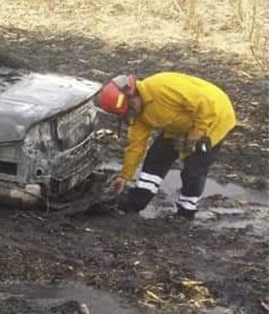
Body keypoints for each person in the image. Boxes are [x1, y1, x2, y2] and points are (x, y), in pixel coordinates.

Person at [97, 73, 237, 219]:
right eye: (126, 114)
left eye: (130, 109)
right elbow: (135, 146)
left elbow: (205, 103)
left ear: (133, 96)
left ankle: (186, 212)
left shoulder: (163, 87)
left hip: (214, 116)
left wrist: (197, 133)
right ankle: (135, 203)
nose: (131, 114)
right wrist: (125, 176)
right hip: (180, 124)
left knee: (194, 168)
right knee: (157, 157)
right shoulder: (138, 116)